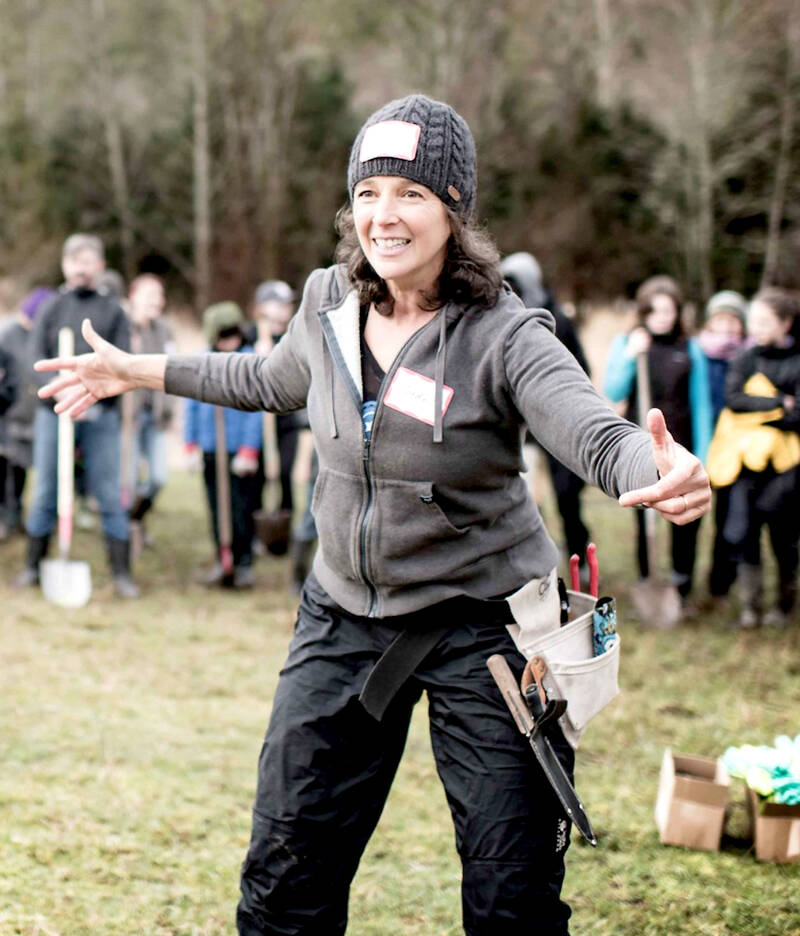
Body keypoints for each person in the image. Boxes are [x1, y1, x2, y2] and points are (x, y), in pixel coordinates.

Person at [36, 95, 710, 936]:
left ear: (454, 209)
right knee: (286, 874)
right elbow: (266, 381)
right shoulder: (325, 303)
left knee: (513, 894)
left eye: (410, 194)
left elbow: (590, 428)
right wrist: (138, 370)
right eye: (367, 193)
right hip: (343, 619)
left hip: (486, 633)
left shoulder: (504, 332)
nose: (382, 216)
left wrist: (658, 467)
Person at [17, 233, 138, 598]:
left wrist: (92, 397)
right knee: (46, 492)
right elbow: (34, 358)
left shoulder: (113, 311)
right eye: (74, 261)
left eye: (88, 261)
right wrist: (62, 389)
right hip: (55, 412)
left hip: (100, 415)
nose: (81, 268)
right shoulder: (51, 307)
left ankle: (121, 574)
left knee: (107, 491)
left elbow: (124, 363)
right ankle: (32, 567)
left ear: (99, 266)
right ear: (65, 265)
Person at [604, 276, 713, 615]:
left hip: (683, 447)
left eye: (669, 310)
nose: (663, 316)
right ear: (643, 312)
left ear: (678, 312)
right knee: (645, 518)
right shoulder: (629, 343)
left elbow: (703, 404)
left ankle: (682, 586)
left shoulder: (689, 348)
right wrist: (630, 355)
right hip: (642, 449)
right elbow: (613, 390)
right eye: (655, 310)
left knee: (686, 520)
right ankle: (647, 579)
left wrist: (704, 456)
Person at [707, 288, 800, 628]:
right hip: (746, 467)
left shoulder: (796, 361)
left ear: (786, 322)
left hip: (786, 468)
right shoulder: (744, 360)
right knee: (745, 533)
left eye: (765, 321)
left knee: (784, 536)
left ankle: (785, 605)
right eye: (753, 321)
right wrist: (779, 403)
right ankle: (751, 607)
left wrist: (759, 409)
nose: (756, 327)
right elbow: (733, 399)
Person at [500, 252, 592, 579]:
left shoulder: (557, 319)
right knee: (524, 501)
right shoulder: (501, 320)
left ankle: (578, 560)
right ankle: (536, 567)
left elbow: (582, 369)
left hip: (556, 426)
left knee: (568, 498)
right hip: (520, 430)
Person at [184, 302, 262, 589]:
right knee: (217, 508)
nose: (229, 342)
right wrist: (190, 445)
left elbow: (257, 411)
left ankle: (244, 563)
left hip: (237, 451)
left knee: (240, 508)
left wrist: (249, 450)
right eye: (222, 336)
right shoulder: (202, 363)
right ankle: (223, 559)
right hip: (209, 449)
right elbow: (190, 406)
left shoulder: (250, 361)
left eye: (233, 335)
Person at [696, 290, 748, 602]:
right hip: (703, 445)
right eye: (720, 320)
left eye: (733, 321)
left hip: (736, 450)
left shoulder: (750, 355)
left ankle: (721, 582)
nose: (727, 328)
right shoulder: (697, 353)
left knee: (728, 520)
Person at [0, 288, 55, 538]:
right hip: (8, 412)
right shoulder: (9, 335)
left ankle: (15, 516)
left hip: (29, 415)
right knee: (6, 469)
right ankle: (7, 517)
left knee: (20, 469)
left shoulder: (39, 337)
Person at [125, 274, 176, 542]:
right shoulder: (121, 327)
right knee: (129, 479)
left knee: (158, 477)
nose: (157, 301)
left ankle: (137, 517)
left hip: (154, 416)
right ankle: (128, 530)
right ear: (133, 294)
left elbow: (174, 369)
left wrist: (169, 410)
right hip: (127, 419)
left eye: (160, 296)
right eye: (151, 295)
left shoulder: (164, 330)